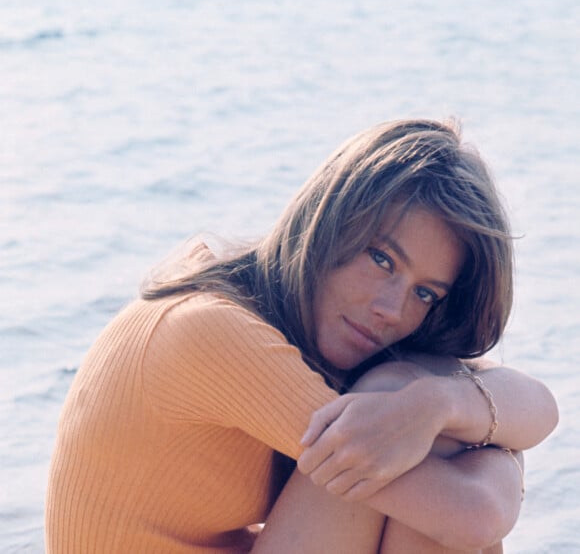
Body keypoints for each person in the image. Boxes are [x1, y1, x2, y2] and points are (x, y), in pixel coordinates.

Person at [45, 119, 558, 553]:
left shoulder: (288, 319)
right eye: (381, 260)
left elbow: (540, 407)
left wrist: (442, 403)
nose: (391, 310)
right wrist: (485, 442)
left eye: (425, 294)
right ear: (330, 221)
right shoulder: (214, 334)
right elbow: (474, 515)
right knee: (396, 408)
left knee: (417, 406)